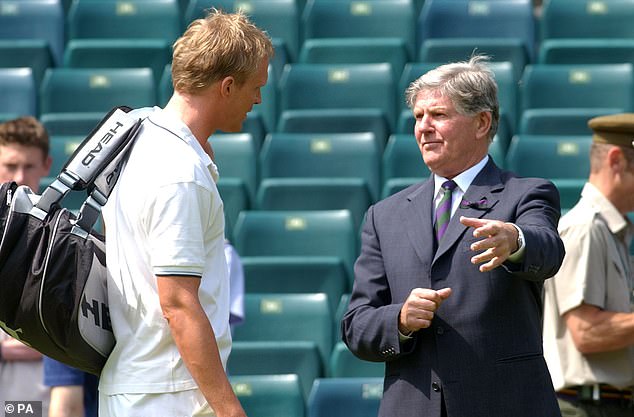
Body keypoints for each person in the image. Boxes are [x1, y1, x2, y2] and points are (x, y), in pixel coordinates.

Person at [341, 55, 566, 417]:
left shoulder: (525, 194)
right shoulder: (384, 215)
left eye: (439, 115)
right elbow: (356, 325)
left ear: (482, 122)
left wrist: (514, 239)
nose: (424, 127)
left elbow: (548, 250)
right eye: (418, 117)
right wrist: (399, 320)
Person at [99, 8, 273, 417]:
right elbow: (177, 303)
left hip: (141, 386)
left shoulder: (136, 137)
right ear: (227, 87)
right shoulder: (180, 171)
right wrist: (230, 410)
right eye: (255, 87)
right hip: (169, 397)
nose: (259, 100)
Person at [542, 113, 634, 417]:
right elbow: (586, 331)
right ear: (617, 160)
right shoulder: (586, 228)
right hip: (585, 406)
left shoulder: (609, 230)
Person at [0, 116, 52, 415]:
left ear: (46, 165)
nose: (19, 177)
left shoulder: (63, 237)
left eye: (29, 166)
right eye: (10, 165)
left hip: (35, 393)